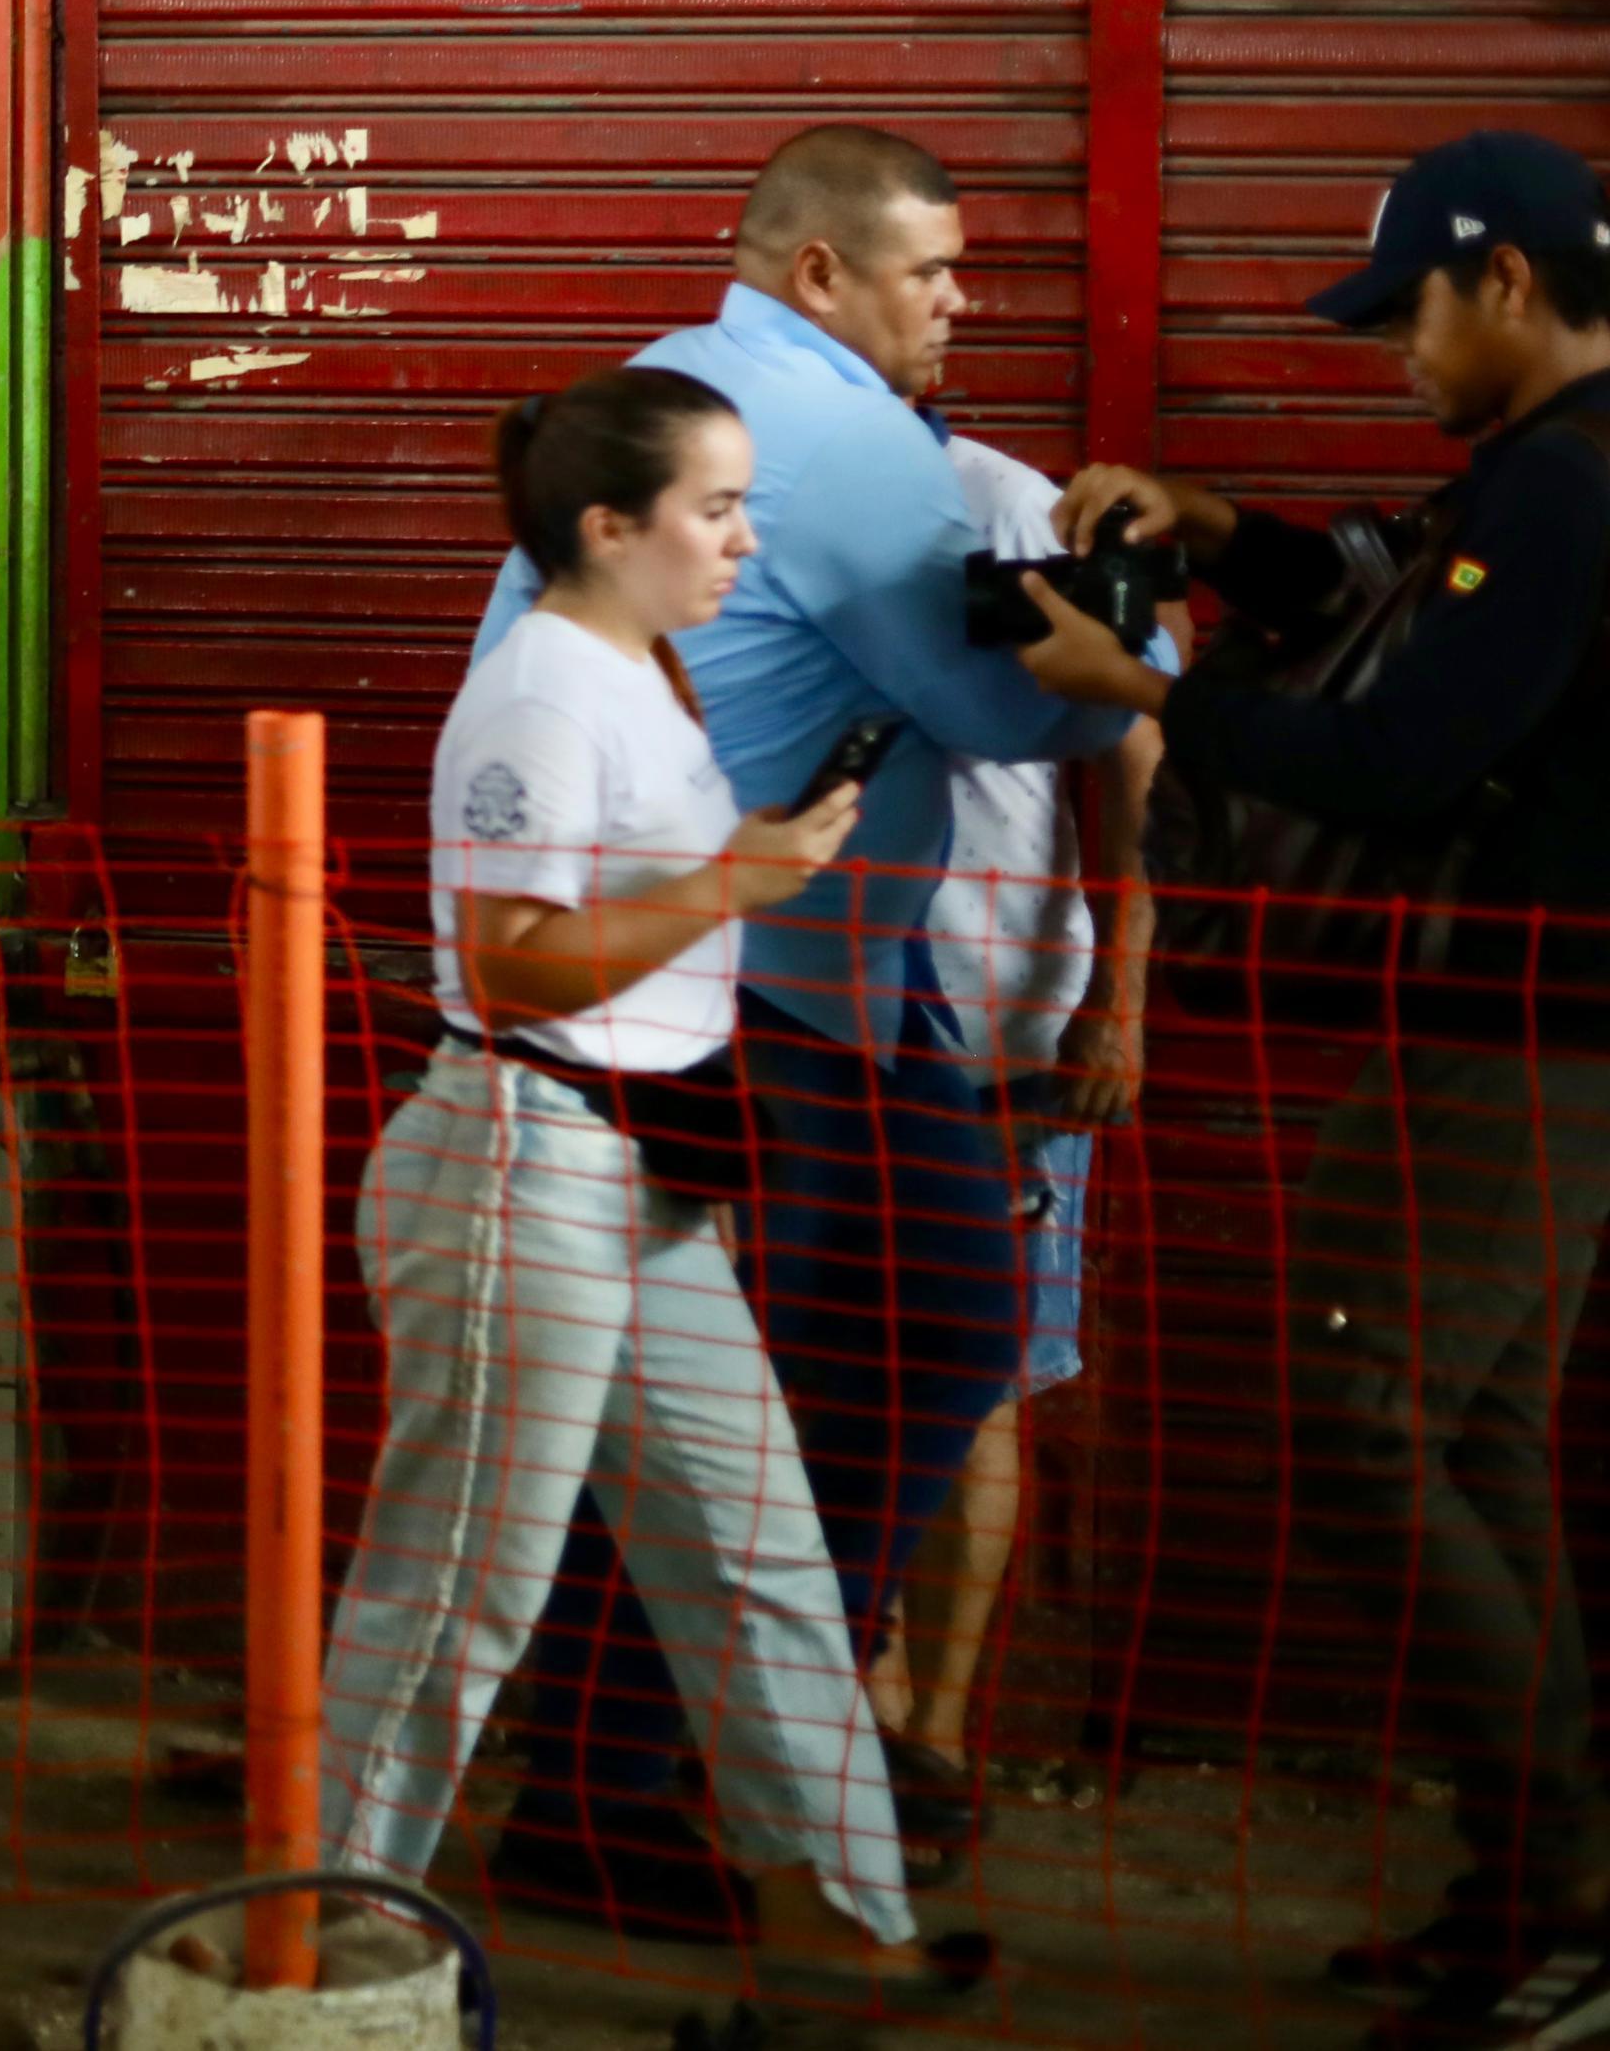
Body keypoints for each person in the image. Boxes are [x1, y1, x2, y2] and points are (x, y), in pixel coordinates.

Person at [475, 125, 1137, 1935]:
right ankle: (625, 1785)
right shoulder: (812, 428)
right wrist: (1138, 639)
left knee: (911, 1336)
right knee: (766, 1388)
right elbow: (1019, 714)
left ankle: (708, 1747)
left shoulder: (711, 401)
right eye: (932, 269)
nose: (960, 301)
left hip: (829, 972)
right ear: (822, 271)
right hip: (733, 990)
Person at [1008, 131, 1610, 2049]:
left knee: (1361, 1410)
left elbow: (1401, 745)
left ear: (1502, 278)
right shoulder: (1536, 479)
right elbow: (1397, 587)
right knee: (1473, 1432)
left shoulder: (1579, 487)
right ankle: (1536, 1885)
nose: (1393, 356)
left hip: (1519, 1043)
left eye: (1406, 315)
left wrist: (1149, 681)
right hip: (1525, 1039)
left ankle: (1571, 1892)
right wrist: (1210, 526)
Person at [322, 366, 937, 1986]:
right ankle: (334, 1911)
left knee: (761, 1553)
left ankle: (840, 1918)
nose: (745, 537)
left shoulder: (640, 666)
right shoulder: (538, 693)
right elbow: (511, 965)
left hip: (637, 1176)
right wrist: (744, 873)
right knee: (462, 1570)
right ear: (610, 524)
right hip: (523, 1167)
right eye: (715, 507)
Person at [870, 425, 1161, 1879]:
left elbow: (1142, 734)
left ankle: (929, 1735)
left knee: (976, 1382)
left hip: (998, 1040)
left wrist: (1121, 988)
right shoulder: (743, 500)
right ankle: (843, 1734)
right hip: (813, 1029)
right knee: (809, 1378)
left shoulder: (1009, 506)